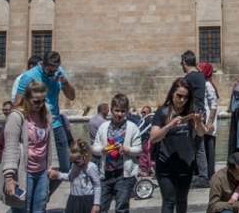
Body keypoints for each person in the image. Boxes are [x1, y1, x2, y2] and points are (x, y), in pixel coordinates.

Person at [14, 51, 76, 193]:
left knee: (65, 165)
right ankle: (36, 195)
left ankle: (45, 194)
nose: (51, 73)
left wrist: (65, 83)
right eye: (49, 70)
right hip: (36, 124)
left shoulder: (59, 73)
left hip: (55, 124)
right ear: (43, 64)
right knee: (36, 165)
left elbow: (72, 96)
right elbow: (17, 104)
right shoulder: (29, 76)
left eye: (54, 70)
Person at [1, 80, 60, 213]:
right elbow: (10, 148)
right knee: (23, 209)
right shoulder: (16, 117)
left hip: (41, 171)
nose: (40, 104)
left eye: (43, 100)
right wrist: (9, 178)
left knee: (40, 209)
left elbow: (51, 141)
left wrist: (53, 165)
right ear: (26, 99)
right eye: (36, 101)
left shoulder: (45, 111)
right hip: (24, 171)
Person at [149, 78, 207, 213]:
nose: (181, 100)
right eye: (179, 96)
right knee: (169, 201)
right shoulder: (162, 112)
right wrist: (170, 125)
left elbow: (201, 134)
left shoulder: (192, 111)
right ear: (172, 94)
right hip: (165, 162)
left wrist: (199, 123)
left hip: (186, 162)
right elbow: (153, 137)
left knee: (182, 199)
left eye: (185, 97)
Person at [93, 93, 143, 213]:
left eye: (122, 111)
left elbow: (139, 149)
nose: (119, 114)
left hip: (124, 174)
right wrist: (102, 150)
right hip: (105, 174)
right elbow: (94, 147)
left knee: (121, 208)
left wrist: (126, 149)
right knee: (102, 207)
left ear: (127, 111)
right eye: (117, 111)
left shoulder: (132, 127)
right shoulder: (103, 127)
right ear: (111, 110)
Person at [195, 62, 219, 189]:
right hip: (201, 122)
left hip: (208, 122)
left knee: (208, 148)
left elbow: (213, 105)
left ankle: (209, 176)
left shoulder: (208, 85)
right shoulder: (201, 84)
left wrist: (210, 121)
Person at [61, 139, 102, 213]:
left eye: (77, 160)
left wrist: (96, 204)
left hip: (87, 200)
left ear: (85, 156)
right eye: (72, 160)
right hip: (74, 199)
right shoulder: (74, 165)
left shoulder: (91, 167)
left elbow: (97, 185)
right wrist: (58, 175)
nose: (74, 163)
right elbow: (70, 177)